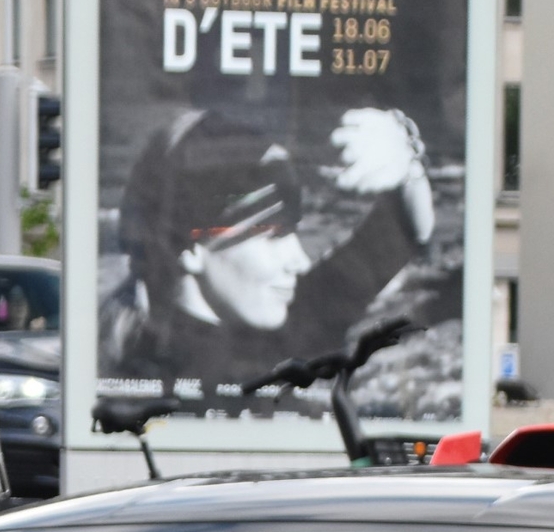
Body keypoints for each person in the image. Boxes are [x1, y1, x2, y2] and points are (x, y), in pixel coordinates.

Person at [101, 106, 435, 389]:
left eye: (293, 232)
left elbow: (402, 231)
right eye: (273, 235)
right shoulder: (137, 369)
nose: (300, 261)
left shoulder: (298, 313)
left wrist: (406, 159)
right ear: (188, 248)